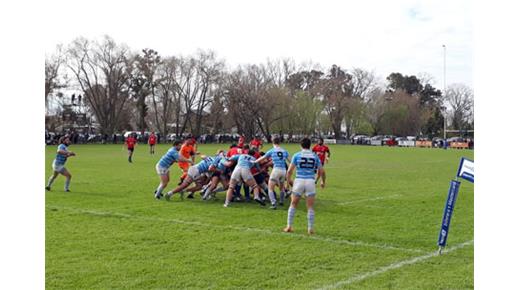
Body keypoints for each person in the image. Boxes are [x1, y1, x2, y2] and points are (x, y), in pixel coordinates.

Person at [284, 138, 325, 235]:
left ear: (301, 145)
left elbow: (289, 171)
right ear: (310, 145)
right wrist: (318, 179)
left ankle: (289, 226)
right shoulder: (315, 156)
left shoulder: (297, 155)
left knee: (293, 204)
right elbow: (321, 171)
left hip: (299, 181)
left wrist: (287, 182)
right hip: (310, 181)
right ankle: (310, 228)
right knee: (310, 206)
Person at [254, 137, 289, 209]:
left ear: (273, 142)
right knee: (281, 187)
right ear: (280, 143)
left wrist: (254, 161)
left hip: (276, 170)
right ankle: (281, 201)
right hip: (283, 170)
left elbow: (263, 157)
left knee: (270, 188)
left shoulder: (272, 150)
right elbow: (290, 161)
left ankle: (273, 203)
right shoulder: (285, 151)